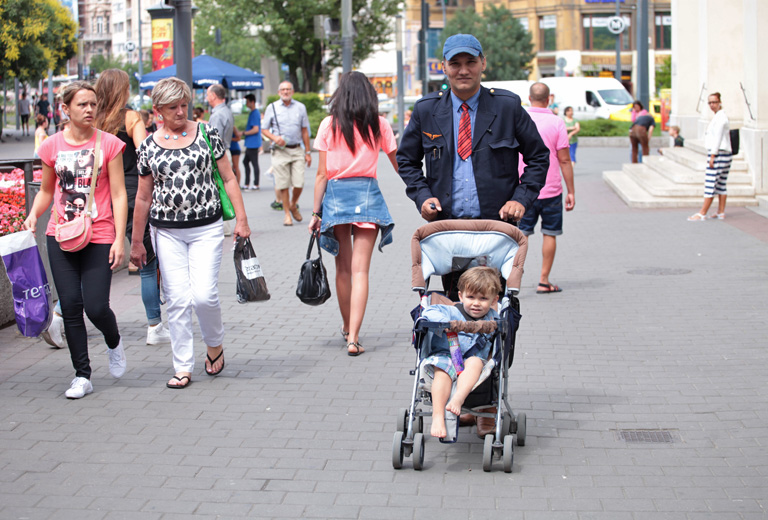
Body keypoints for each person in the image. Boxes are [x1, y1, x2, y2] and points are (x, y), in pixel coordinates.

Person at [397, 33, 548, 296]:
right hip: (449, 229)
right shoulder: (426, 110)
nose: (464, 70)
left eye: (471, 62)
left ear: (483, 63)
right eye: (455, 63)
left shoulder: (507, 106)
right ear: (444, 66)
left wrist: (521, 199)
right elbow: (406, 161)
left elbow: (538, 157)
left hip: (497, 229)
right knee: (456, 310)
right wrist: (422, 196)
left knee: (495, 310)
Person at [131, 77, 250, 389]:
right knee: (178, 299)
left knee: (204, 295)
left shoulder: (206, 132)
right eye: (173, 107)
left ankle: (215, 344)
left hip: (206, 228)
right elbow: (143, 197)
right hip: (165, 231)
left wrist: (242, 220)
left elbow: (229, 178)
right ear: (158, 111)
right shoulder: (148, 145)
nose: (181, 111)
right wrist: (136, 242)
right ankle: (182, 365)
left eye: (184, 105)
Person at [24, 81, 129, 399]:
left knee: (97, 307)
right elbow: (46, 191)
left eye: (93, 104)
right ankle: (82, 375)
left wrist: (119, 239)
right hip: (61, 234)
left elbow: (119, 193)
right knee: (70, 305)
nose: (89, 110)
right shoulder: (51, 146)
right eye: (82, 104)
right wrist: (32, 216)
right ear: (65, 109)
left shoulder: (109, 143)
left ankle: (114, 342)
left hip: (99, 234)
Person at [308, 71, 398, 357]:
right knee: (361, 270)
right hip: (368, 195)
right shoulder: (379, 124)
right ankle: (354, 338)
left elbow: (322, 174)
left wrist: (315, 212)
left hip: (336, 197)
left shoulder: (329, 124)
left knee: (343, 269)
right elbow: (399, 163)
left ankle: (347, 327)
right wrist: (420, 189)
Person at [94, 68, 171, 346]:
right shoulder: (130, 117)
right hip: (128, 192)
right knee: (147, 261)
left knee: (93, 262)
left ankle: (58, 316)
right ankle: (154, 326)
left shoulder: (93, 119)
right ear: (123, 90)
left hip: (100, 194)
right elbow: (145, 153)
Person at [420, 266, 501, 439]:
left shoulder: (493, 318)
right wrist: (448, 323)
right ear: (460, 296)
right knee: (442, 371)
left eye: (483, 298)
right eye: (471, 297)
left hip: (472, 357)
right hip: (446, 354)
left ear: (494, 300)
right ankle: (438, 416)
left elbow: (500, 331)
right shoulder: (451, 310)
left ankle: (458, 398)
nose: (476, 303)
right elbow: (428, 312)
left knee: (476, 363)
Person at [518, 82, 576, 294]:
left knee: (521, 235)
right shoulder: (557, 122)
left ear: (529, 97)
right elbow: (564, 160)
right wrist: (571, 191)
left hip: (524, 189)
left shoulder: (519, 119)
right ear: (548, 98)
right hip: (551, 189)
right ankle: (544, 281)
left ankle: (514, 280)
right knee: (549, 234)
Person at [262, 81, 312, 226]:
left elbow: (304, 131)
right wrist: (274, 138)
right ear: (279, 92)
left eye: (288, 89)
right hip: (279, 151)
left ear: (292, 91)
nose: (285, 92)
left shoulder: (300, 107)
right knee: (283, 184)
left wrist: (308, 152)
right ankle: (286, 214)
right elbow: (264, 129)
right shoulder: (272, 108)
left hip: (297, 149)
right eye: (283, 89)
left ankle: (293, 203)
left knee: (299, 182)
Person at [688, 92, 732, 221]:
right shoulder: (719, 116)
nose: (712, 105)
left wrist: (713, 155)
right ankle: (721, 212)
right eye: (710, 103)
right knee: (721, 184)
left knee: (710, 183)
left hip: (719, 153)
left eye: (714, 102)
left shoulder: (721, 118)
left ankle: (702, 213)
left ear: (720, 103)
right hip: (724, 153)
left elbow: (717, 137)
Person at [206, 84, 235, 235]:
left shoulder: (217, 115)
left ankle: (224, 226)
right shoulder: (226, 111)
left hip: (219, 155)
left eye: (207, 94)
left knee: (221, 189)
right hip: (225, 152)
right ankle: (226, 225)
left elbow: (214, 140)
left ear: (213, 96)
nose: (206, 98)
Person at [242, 94, 262, 190]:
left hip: (253, 143)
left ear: (252, 102)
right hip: (251, 143)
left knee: (253, 163)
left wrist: (244, 133)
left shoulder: (255, 113)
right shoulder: (253, 113)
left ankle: (255, 184)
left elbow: (255, 129)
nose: (246, 104)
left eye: (247, 102)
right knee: (246, 162)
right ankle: (249, 183)